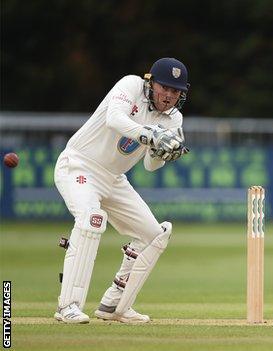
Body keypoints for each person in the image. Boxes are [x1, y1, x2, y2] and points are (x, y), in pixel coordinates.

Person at [53, 57, 190, 324]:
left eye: (176, 92)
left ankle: (114, 304)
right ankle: (67, 306)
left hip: (114, 179)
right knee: (92, 221)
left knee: (153, 235)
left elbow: (150, 165)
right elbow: (114, 119)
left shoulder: (174, 119)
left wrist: (163, 152)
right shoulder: (131, 86)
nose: (169, 96)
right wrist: (152, 135)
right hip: (79, 165)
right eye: (165, 88)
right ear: (151, 83)